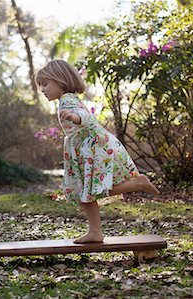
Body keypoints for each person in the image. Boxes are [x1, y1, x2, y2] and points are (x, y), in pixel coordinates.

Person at [35, 60, 160, 244]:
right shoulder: (66, 99)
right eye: (41, 86)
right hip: (86, 148)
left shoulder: (68, 101)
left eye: (45, 84)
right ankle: (95, 231)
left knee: (92, 190)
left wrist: (75, 117)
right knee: (86, 193)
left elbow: (85, 118)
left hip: (92, 148)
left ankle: (137, 184)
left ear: (60, 80)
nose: (43, 90)